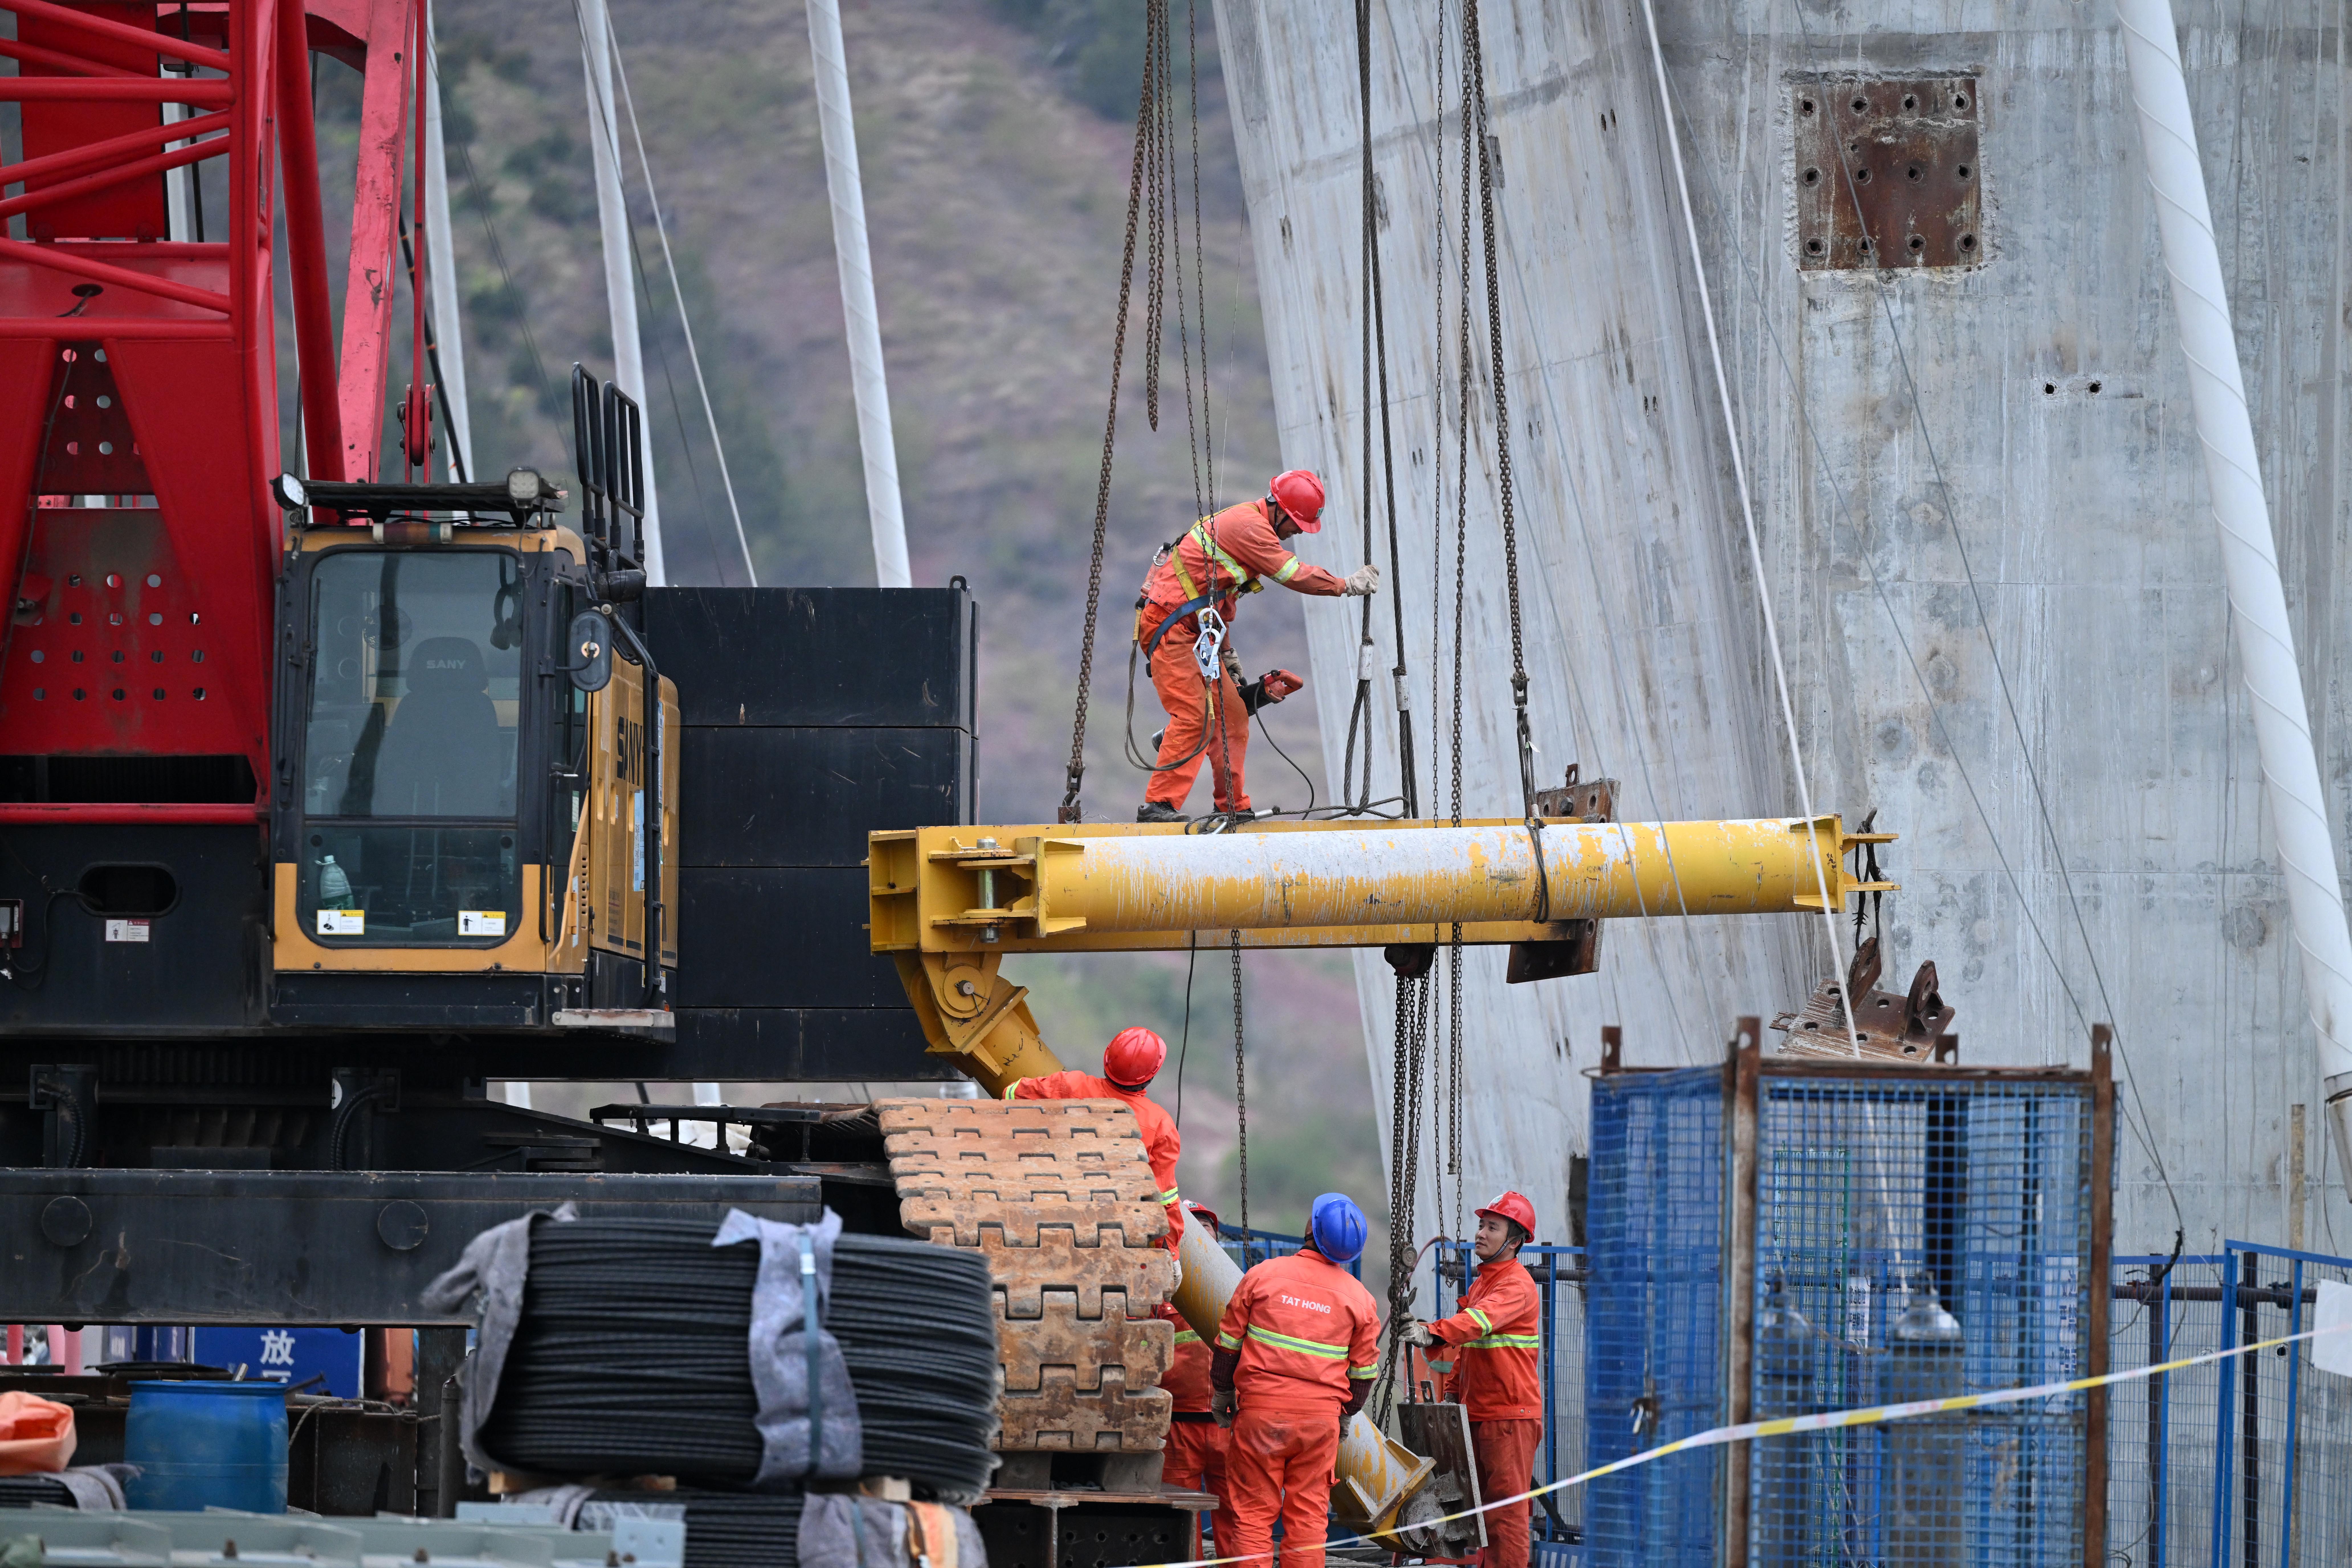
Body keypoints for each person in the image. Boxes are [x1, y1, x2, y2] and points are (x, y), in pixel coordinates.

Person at [1133, 471, 1379, 823]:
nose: (1297, 532)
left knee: (1233, 718)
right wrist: (1345, 585)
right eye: (1296, 523)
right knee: (1195, 715)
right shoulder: (1250, 528)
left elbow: (1217, 603)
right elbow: (1293, 574)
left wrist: (1226, 652)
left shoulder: (1249, 527)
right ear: (1278, 510)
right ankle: (1159, 806)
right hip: (1171, 630)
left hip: (1193, 633)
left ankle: (1232, 806)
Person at [1210, 1192, 1380, 1567]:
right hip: (1319, 1425)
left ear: (1311, 1229)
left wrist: (1222, 1392)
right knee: (1308, 1520)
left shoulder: (1263, 1276)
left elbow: (1227, 1344)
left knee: (1253, 1515)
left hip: (1261, 1417)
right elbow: (1364, 1374)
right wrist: (1346, 1413)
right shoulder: (1361, 1300)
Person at [1402, 1191, 1544, 1568]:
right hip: (1482, 1413)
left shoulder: (1515, 1286)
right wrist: (1452, 1394)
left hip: (1508, 1417)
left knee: (1506, 1517)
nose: (1480, 1233)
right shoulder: (1485, 1283)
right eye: (1481, 1225)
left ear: (1514, 1241)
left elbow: (1476, 1324)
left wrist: (1430, 1333)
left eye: (1492, 1227)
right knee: (1481, 1514)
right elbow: (1469, 1350)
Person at [1002, 1026, 1184, 1244]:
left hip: (1046, 1207)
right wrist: (1171, 1252)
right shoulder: (1160, 1125)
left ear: (1108, 1059)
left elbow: (1011, 1094)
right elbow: (1164, 1200)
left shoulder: (1070, 1086)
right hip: (1111, 1230)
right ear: (1152, 1075)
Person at [1159, 1199, 1236, 1557]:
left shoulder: (1236, 1290)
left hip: (1229, 1424)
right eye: (1193, 1226)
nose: (1201, 1235)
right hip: (1178, 1425)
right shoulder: (1162, 1291)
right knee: (1179, 1520)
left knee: (1238, 1518)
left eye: (1206, 1226)